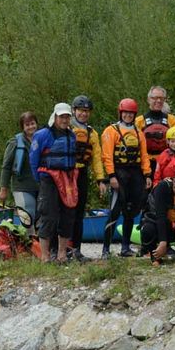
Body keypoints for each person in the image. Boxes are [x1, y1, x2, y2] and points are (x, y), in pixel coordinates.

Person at [100, 98, 152, 258]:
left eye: (131, 113)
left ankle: (125, 248)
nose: (128, 116)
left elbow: (144, 155)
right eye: (125, 113)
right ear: (121, 113)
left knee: (130, 212)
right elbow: (107, 156)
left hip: (135, 174)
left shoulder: (139, 133)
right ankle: (106, 249)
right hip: (119, 173)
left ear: (134, 114)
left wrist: (147, 174)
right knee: (115, 211)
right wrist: (111, 176)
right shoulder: (111, 131)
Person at [28, 102, 79, 262]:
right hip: (48, 179)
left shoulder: (71, 135)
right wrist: (40, 180)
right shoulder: (42, 135)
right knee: (48, 216)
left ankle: (62, 254)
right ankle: (45, 256)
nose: (65, 119)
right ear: (55, 117)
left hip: (67, 178)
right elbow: (33, 160)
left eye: (67, 117)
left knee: (67, 214)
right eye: (62, 116)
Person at [70, 95, 104, 260]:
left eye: (86, 111)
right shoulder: (66, 128)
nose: (84, 114)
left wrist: (100, 179)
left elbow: (96, 157)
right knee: (64, 211)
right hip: (66, 174)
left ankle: (76, 249)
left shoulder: (92, 133)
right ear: (74, 111)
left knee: (79, 213)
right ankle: (61, 249)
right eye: (81, 111)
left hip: (81, 173)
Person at [0, 111, 40, 230]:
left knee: (41, 221)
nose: (31, 127)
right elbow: (6, 167)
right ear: (23, 127)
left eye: (32, 123)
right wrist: (3, 189)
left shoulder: (43, 140)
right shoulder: (14, 143)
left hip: (41, 186)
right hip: (22, 186)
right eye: (27, 125)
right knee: (27, 218)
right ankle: (28, 245)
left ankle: (42, 248)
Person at [140, 86, 175, 159]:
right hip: (146, 162)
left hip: (167, 160)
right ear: (148, 100)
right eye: (155, 98)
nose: (158, 101)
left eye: (161, 98)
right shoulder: (139, 121)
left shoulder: (172, 120)